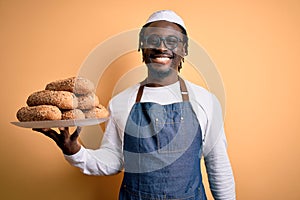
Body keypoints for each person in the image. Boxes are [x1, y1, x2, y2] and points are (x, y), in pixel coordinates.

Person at [34, 10, 236, 200]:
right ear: (142, 46)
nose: (162, 47)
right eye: (152, 40)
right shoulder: (122, 102)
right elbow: (113, 160)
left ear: (184, 49)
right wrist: (75, 152)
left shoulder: (205, 101)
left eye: (172, 41)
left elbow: (218, 165)